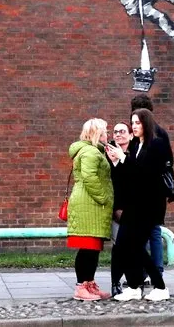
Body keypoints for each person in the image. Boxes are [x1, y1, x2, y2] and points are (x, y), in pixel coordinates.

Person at [107, 109, 171, 301]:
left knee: (134, 245)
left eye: (138, 123)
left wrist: (124, 158)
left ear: (146, 124)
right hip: (133, 205)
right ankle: (134, 286)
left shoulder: (157, 145)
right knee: (125, 245)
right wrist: (117, 162)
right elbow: (130, 176)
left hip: (149, 206)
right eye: (132, 123)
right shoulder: (135, 145)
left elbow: (148, 175)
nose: (134, 126)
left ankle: (160, 287)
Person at [130, 94, 174, 286]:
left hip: (145, 192)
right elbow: (169, 162)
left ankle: (146, 271)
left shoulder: (143, 135)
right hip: (158, 192)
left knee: (143, 233)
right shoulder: (162, 132)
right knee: (154, 231)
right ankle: (156, 270)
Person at [67, 118, 114, 301]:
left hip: (92, 206)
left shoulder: (94, 151)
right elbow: (89, 177)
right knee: (87, 249)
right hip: (89, 205)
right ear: (97, 133)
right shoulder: (90, 153)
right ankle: (81, 287)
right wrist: (103, 197)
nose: (107, 135)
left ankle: (89, 284)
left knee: (93, 249)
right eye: (105, 132)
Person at [107, 122, 133, 297]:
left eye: (122, 131)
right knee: (118, 247)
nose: (118, 135)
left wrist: (123, 158)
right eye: (115, 132)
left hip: (135, 208)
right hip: (116, 209)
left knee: (135, 247)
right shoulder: (107, 154)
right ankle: (115, 282)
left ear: (130, 135)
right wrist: (116, 208)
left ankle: (134, 282)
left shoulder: (136, 153)